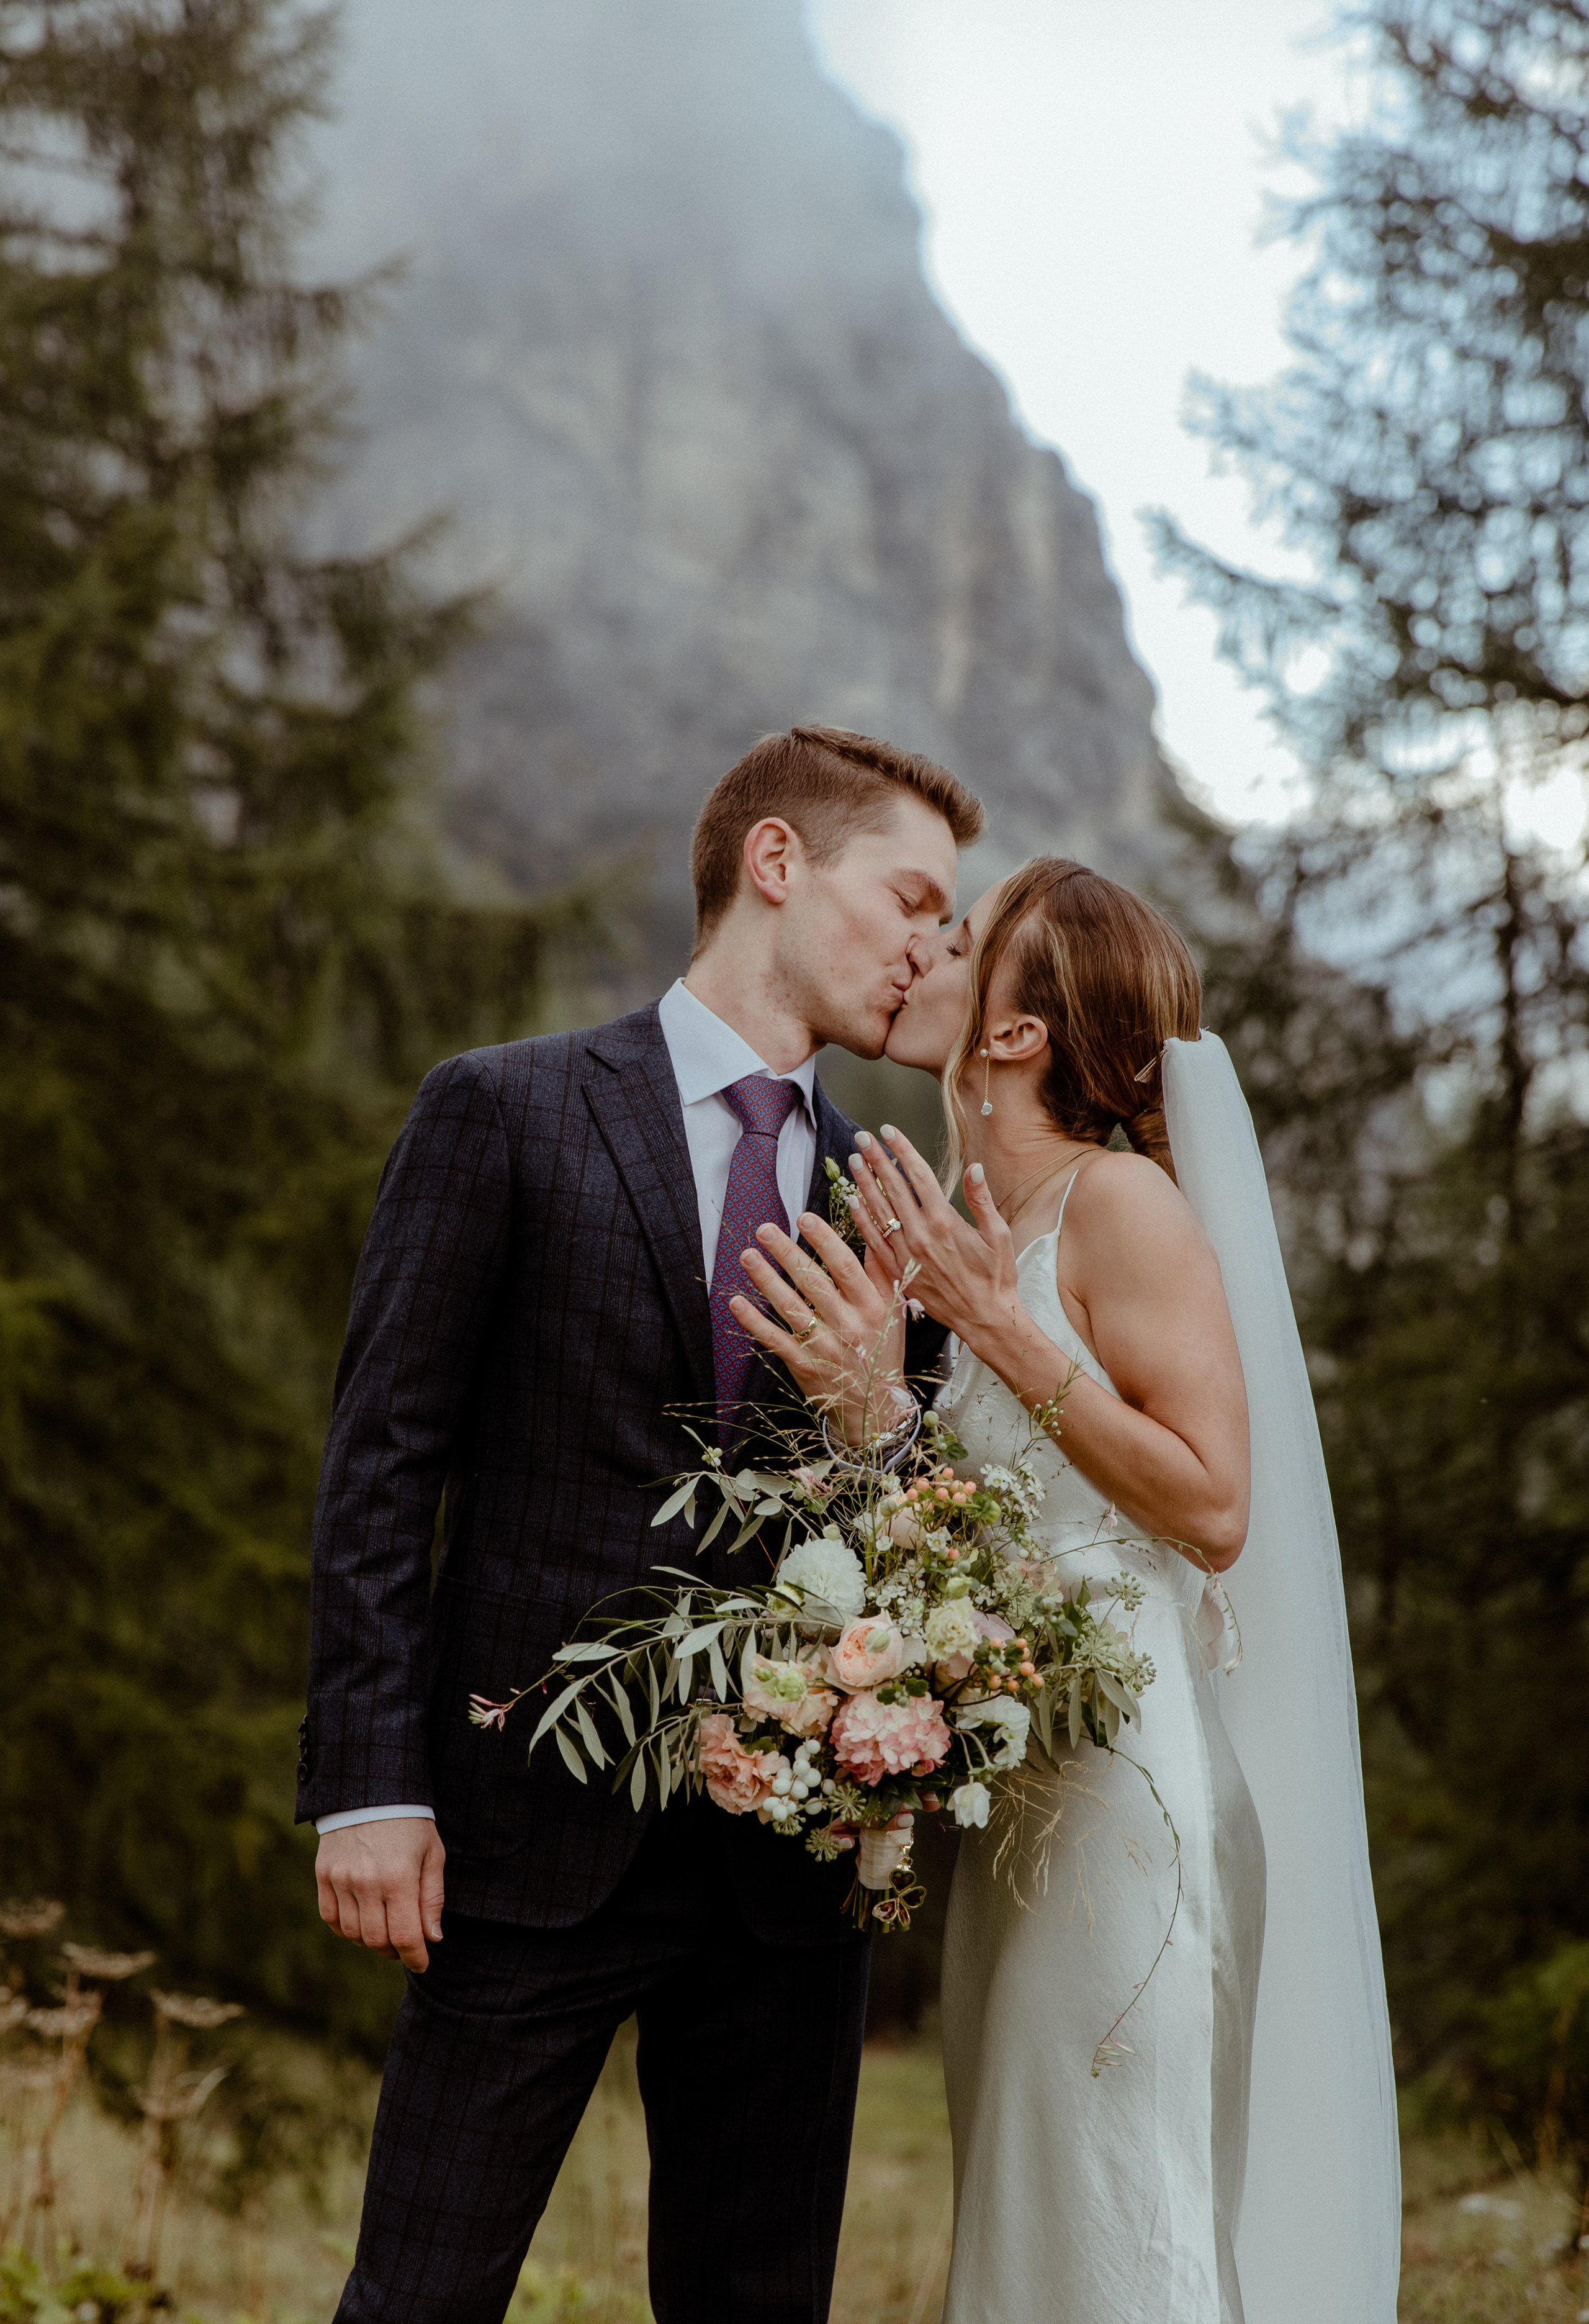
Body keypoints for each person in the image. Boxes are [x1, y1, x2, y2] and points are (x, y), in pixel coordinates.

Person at [296, 722, 983, 2324]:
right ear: (774, 863)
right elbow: (383, 1465)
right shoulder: (504, 1109)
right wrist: (369, 1787)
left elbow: (925, 1533)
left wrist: (889, 1409)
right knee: (418, 2299)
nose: (928, 948)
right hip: (520, 1841)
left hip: (786, 1865)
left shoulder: (890, 1203)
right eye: (909, 899)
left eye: (946, 925)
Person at [737, 856, 1400, 2324]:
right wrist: (867, 1406)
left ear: (1019, 1033)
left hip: (1130, 1805)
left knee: (1121, 2206)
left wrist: (997, 1330)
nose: (923, 950)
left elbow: (1214, 1506)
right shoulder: (989, 1226)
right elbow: (996, 1525)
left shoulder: (1119, 1208)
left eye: (960, 938)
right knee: (1035, 2194)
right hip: (1030, 1795)